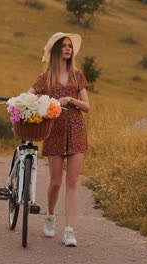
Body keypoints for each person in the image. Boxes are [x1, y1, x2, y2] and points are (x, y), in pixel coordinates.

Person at [27, 32, 90, 247]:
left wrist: (71, 99)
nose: (67, 49)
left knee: (72, 181)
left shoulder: (78, 75)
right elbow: (29, 95)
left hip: (76, 129)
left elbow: (87, 106)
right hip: (54, 131)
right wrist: (25, 103)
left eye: (70, 46)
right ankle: (50, 216)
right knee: (56, 182)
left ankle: (69, 230)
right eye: (63, 45)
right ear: (55, 50)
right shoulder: (46, 77)